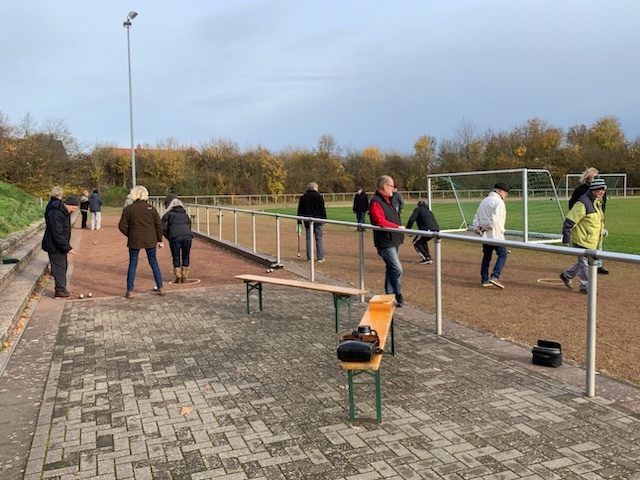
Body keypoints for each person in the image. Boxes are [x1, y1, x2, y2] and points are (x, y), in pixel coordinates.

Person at [560, 176, 607, 294]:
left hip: (592, 240)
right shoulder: (583, 203)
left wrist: (602, 231)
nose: (602, 192)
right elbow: (569, 221)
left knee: (583, 262)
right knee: (586, 264)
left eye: (603, 189)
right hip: (582, 240)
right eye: (599, 189)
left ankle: (566, 275)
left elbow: (594, 221)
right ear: (593, 189)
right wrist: (566, 237)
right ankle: (585, 286)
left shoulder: (597, 202)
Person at [118, 185, 166, 298]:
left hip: (135, 239)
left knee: (133, 263)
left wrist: (130, 234)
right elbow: (158, 225)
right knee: (153, 262)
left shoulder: (129, 209)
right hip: (150, 239)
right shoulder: (151, 209)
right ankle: (161, 287)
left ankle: (130, 290)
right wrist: (159, 239)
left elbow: (122, 226)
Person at [369, 175, 405, 306]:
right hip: (385, 241)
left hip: (393, 239)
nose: (393, 189)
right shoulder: (376, 201)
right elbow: (379, 220)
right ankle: (397, 293)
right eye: (391, 186)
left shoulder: (388, 200)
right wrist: (397, 227)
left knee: (391, 268)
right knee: (397, 268)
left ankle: (390, 296)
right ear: (384, 187)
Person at [569, 167, 609, 275]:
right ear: (588, 178)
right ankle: (585, 285)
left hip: (595, 222)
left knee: (593, 250)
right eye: (594, 177)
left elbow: (601, 206)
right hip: (584, 225)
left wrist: (600, 224)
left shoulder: (600, 194)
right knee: (585, 258)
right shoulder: (581, 192)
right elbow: (574, 208)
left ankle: (597, 266)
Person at [41, 187, 79, 298]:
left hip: (58, 244)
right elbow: (57, 233)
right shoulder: (56, 213)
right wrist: (67, 247)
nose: (74, 210)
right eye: (73, 208)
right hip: (54, 245)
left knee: (62, 266)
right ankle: (60, 290)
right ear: (67, 205)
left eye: (75, 208)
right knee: (60, 266)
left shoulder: (62, 211)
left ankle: (61, 287)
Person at [472, 182, 510, 288]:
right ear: (498, 191)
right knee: (503, 254)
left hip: (485, 235)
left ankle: (484, 279)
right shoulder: (499, 202)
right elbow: (494, 220)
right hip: (495, 234)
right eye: (505, 192)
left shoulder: (484, 201)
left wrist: (477, 228)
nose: (505, 195)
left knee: (487, 256)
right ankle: (495, 276)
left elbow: (477, 216)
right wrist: (484, 227)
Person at [162, 198, 193, 284]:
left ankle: (178, 276)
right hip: (187, 235)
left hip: (175, 236)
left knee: (176, 256)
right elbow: (189, 224)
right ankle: (184, 275)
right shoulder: (185, 214)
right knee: (186, 255)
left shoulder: (168, 214)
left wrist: (168, 236)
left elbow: (163, 227)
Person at [297, 182, 327, 262]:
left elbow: (300, 211)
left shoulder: (303, 197)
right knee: (319, 239)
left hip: (307, 221)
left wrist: (299, 222)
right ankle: (320, 257)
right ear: (315, 188)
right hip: (317, 221)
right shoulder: (319, 197)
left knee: (308, 239)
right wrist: (324, 219)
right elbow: (322, 209)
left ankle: (310, 258)